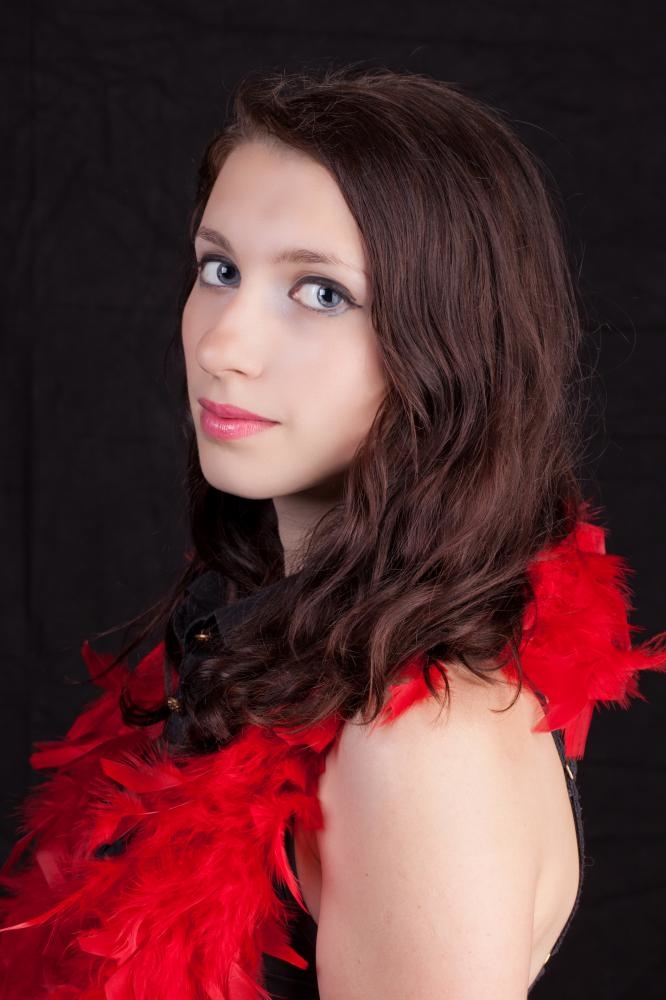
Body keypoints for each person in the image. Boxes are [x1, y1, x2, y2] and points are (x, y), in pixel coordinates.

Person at [1, 64, 665, 999]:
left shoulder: (420, 746)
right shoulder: (278, 640)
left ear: (450, 344)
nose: (223, 344)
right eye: (219, 269)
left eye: (320, 292)